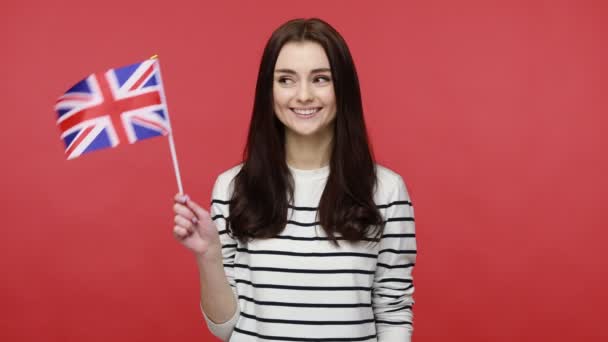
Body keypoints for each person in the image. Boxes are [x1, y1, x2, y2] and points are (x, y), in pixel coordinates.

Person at [172, 17, 417, 342]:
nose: (303, 95)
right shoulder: (233, 188)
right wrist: (209, 256)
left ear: (342, 88)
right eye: (286, 79)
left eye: (320, 79)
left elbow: (393, 314)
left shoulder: (386, 190)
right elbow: (223, 328)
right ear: (268, 90)